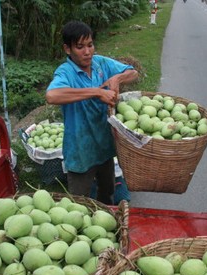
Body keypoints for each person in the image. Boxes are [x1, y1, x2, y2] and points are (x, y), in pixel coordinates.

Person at [45, 20, 138, 205]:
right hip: (80, 151)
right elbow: (52, 95)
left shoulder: (100, 63)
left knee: (107, 196)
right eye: (80, 47)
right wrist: (97, 91)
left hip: (104, 147)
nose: (87, 52)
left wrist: (118, 78)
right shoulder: (65, 72)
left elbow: (133, 73)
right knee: (79, 204)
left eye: (90, 45)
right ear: (67, 49)